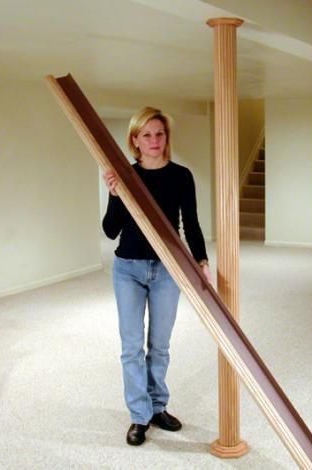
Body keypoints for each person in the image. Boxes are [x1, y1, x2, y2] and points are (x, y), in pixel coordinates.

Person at [102, 106, 211, 446]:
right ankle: (138, 416)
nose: (154, 140)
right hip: (128, 269)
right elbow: (110, 230)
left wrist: (202, 260)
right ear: (135, 140)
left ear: (166, 138)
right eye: (146, 135)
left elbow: (190, 223)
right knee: (131, 346)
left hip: (168, 268)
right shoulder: (125, 177)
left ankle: (157, 407)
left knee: (160, 346)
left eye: (159, 134)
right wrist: (115, 195)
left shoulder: (182, 176)